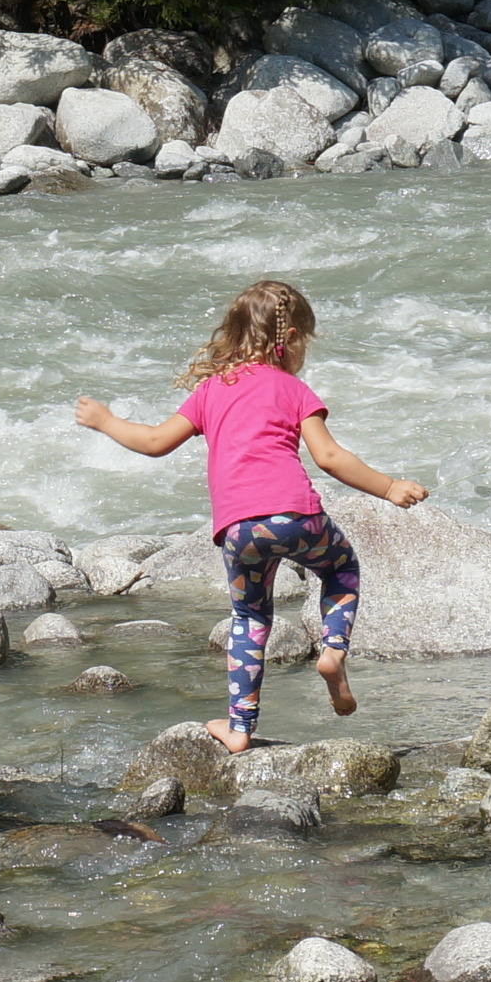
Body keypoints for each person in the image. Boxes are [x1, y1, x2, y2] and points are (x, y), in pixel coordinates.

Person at [75, 278, 427, 755]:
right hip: (298, 517)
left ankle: (239, 728)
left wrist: (106, 420)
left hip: (240, 530)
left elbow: (155, 443)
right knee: (341, 569)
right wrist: (388, 487)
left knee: (249, 617)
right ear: (292, 337)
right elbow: (328, 457)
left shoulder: (210, 391)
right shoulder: (294, 389)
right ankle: (332, 652)